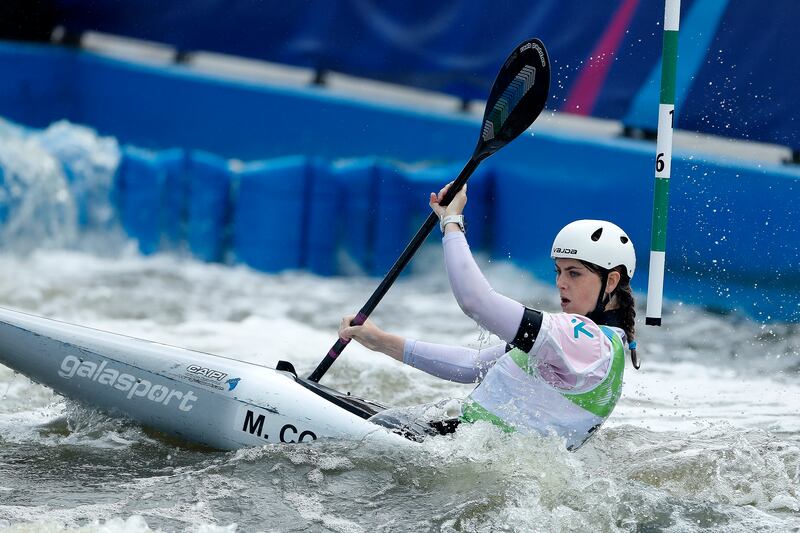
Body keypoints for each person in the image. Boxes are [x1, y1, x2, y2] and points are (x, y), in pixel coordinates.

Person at [339, 183, 638, 450]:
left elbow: (476, 302)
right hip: (460, 449)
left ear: (610, 282)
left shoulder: (588, 342)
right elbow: (471, 365)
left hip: (462, 457)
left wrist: (452, 222)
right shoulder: (583, 347)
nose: (561, 283)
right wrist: (379, 341)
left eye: (575, 273)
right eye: (559, 271)